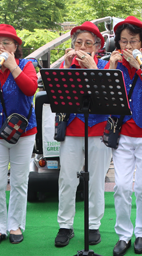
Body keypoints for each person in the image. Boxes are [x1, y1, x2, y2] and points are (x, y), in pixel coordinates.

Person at [103, 16, 142, 256]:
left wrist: (141, 68)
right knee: (121, 186)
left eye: (134, 42)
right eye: (124, 42)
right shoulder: (114, 63)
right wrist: (110, 67)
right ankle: (122, 234)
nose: (128, 47)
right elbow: (104, 96)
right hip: (123, 133)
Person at [0, 24, 39, 247]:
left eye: (5, 43)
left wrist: (13, 67)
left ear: (15, 46)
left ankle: (15, 224)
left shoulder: (26, 65)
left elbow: (31, 89)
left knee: (20, 181)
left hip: (23, 132)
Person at [51, 21, 112, 248]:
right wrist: (66, 68)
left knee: (96, 179)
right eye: (78, 42)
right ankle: (65, 225)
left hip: (99, 130)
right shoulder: (68, 67)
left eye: (88, 43)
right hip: (72, 129)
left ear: (96, 47)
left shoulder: (106, 67)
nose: (83, 47)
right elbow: (55, 96)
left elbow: (109, 98)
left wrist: (92, 68)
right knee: (67, 178)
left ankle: (93, 224)